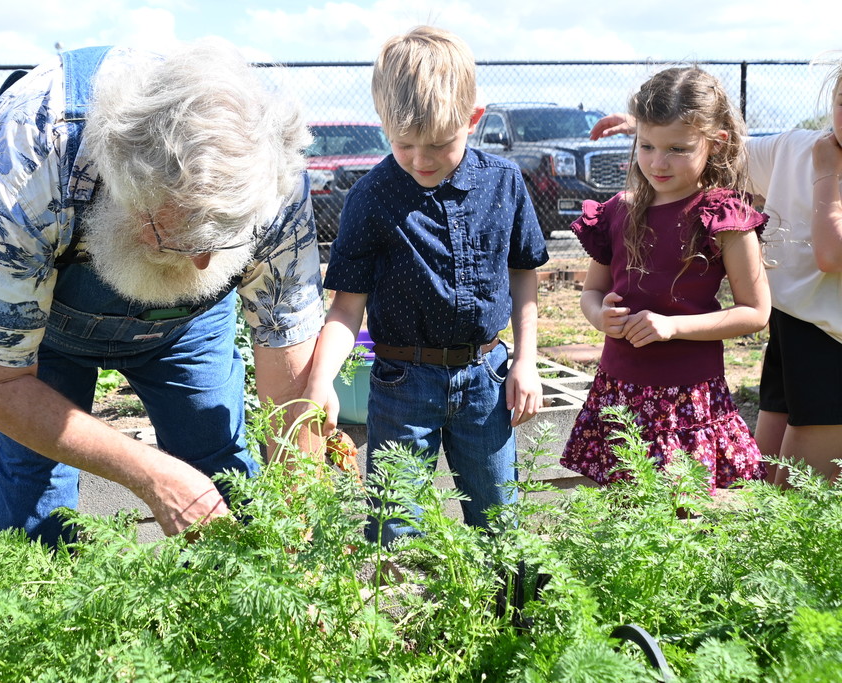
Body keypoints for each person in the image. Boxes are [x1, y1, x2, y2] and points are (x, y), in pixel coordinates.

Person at [0, 41, 325, 546]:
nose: (205, 264)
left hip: (189, 329)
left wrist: (307, 540)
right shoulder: (32, 152)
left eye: (224, 242)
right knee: (35, 511)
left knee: (221, 479)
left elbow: (290, 394)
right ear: (128, 196)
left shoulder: (272, 171)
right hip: (42, 331)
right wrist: (154, 476)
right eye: (181, 241)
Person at [305, 26, 549, 546]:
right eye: (403, 143)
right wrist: (321, 380)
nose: (421, 159)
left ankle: (511, 617)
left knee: (499, 523)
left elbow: (523, 273)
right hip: (401, 384)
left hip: (487, 376)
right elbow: (346, 308)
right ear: (383, 126)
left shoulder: (503, 181)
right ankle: (404, 622)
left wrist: (526, 360)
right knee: (397, 526)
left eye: (440, 143)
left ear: (473, 119)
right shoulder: (370, 197)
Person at [591, 60, 842, 487]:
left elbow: (828, 254)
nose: (657, 160)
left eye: (672, 149)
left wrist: (828, 173)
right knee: (767, 489)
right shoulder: (794, 146)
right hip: (790, 327)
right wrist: (646, 122)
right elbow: (706, 140)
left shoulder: (738, 209)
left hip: (822, 345)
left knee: (802, 498)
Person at [561, 67, 771, 491]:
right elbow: (593, 292)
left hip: (686, 399)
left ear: (715, 145)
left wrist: (673, 327)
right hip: (618, 392)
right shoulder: (616, 211)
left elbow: (755, 312)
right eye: (647, 145)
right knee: (624, 516)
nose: (658, 161)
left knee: (681, 523)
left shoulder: (722, 217)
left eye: (677, 148)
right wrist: (600, 317)